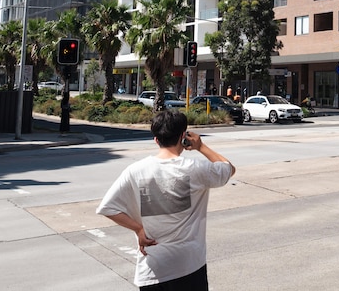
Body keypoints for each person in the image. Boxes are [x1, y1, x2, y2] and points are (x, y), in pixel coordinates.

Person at [96, 110, 235, 290]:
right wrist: (201, 146)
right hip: (189, 265)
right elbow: (228, 169)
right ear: (183, 136)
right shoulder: (195, 169)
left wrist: (138, 229)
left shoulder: (136, 170)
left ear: (156, 139)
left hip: (153, 269)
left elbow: (107, 208)